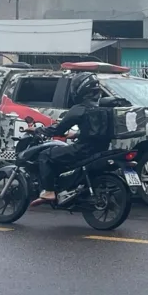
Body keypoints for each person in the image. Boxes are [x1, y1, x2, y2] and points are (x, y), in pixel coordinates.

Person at [34, 72, 113, 202]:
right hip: (101, 150)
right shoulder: (103, 108)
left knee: (45, 156)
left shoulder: (80, 109)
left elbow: (58, 129)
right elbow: (97, 131)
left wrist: (39, 129)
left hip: (82, 150)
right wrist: (76, 134)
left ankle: (48, 191)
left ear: (80, 90)